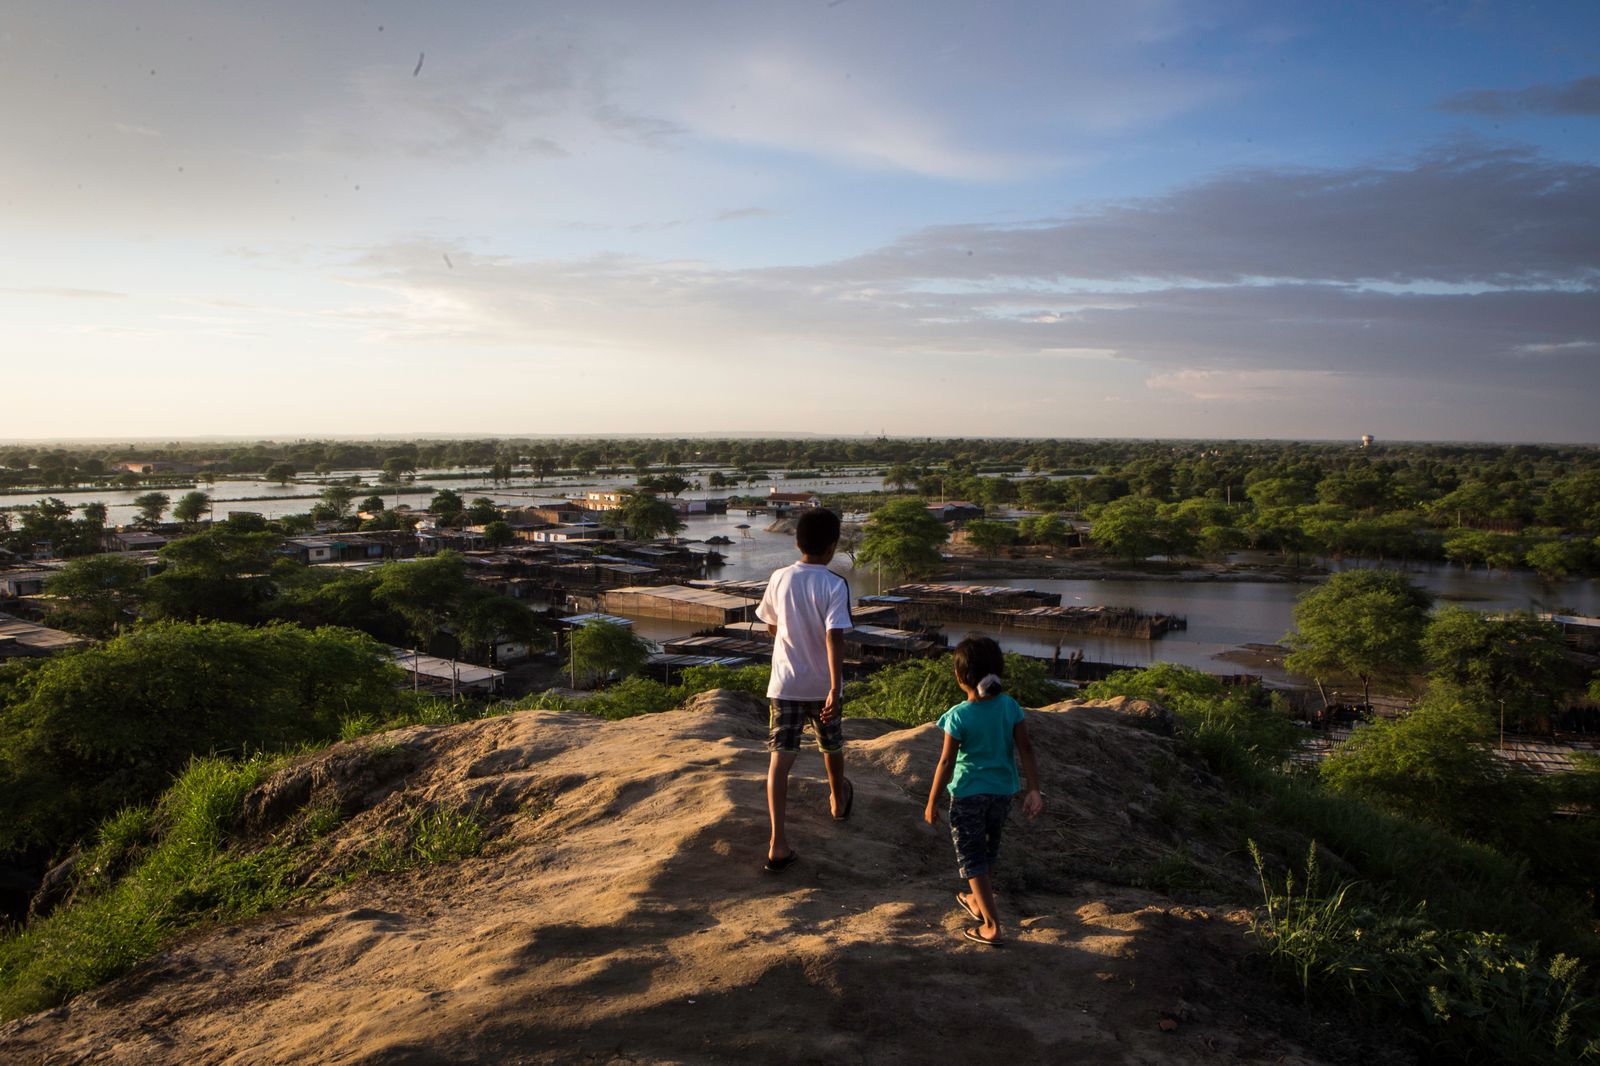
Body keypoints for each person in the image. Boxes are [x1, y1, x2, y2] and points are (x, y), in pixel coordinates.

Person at [923, 635, 1044, 946]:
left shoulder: (959, 715)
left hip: (967, 796)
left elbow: (947, 761)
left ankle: (991, 925)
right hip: (1002, 793)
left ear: (961, 677)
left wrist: (932, 800)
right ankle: (976, 902)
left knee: (971, 856)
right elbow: (1026, 748)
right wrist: (1034, 790)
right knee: (986, 851)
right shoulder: (1010, 707)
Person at [755, 506, 854, 874]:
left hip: (785, 685)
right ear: (832, 547)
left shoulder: (779, 577)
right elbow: (835, 638)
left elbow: (770, 625)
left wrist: (788, 639)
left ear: (797, 542)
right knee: (831, 744)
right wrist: (833, 688)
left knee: (780, 759)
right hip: (821, 685)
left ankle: (777, 843)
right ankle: (836, 800)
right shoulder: (834, 584)